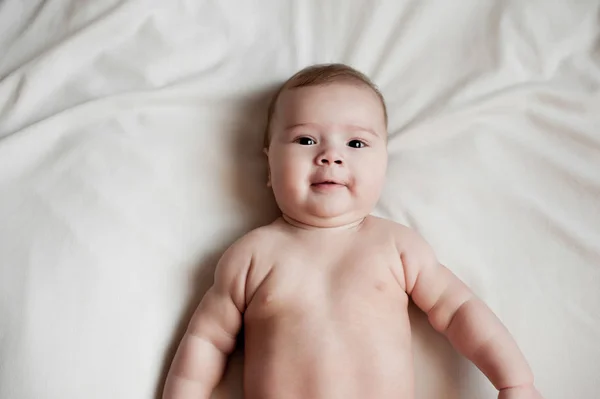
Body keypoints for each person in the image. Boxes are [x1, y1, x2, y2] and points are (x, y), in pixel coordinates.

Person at [162, 63, 543, 399]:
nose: (331, 155)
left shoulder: (396, 246)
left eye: (356, 142)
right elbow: (207, 341)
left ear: (383, 163)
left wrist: (515, 382)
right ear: (269, 162)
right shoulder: (252, 255)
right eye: (305, 139)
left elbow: (460, 310)